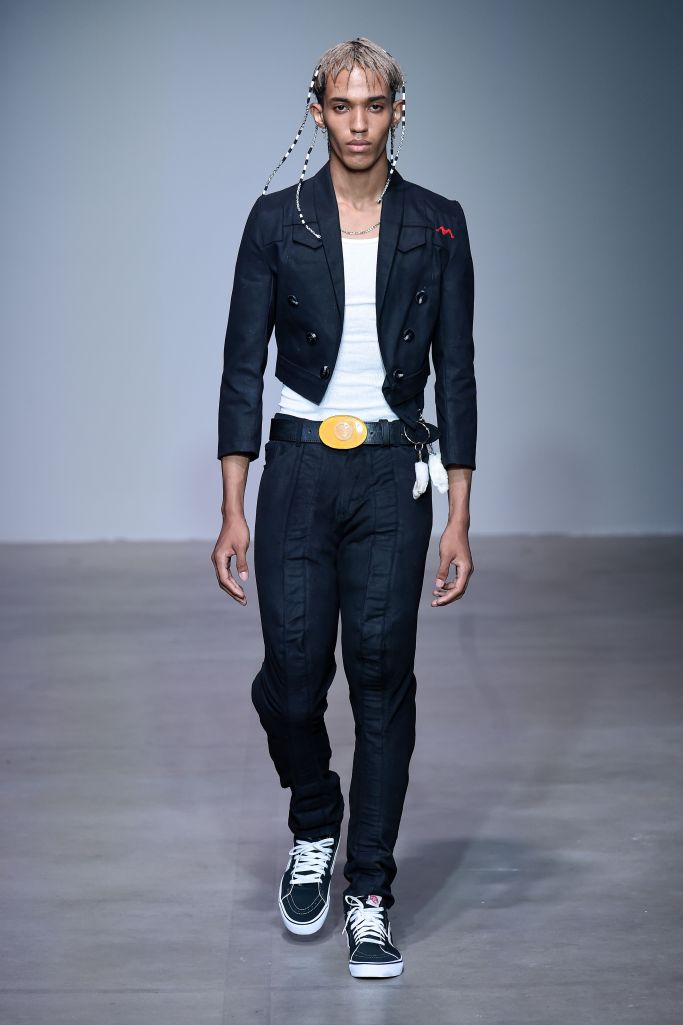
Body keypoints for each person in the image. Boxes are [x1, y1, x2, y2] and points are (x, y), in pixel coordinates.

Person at [211, 36, 477, 979]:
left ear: (397, 110)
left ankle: (369, 890)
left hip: (392, 473)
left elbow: (457, 373)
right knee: (292, 678)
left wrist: (458, 514)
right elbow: (242, 367)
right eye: (341, 105)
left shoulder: (438, 224)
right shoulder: (274, 221)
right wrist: (232, 505)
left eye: (373, 106)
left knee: (380, 677)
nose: (357, 123)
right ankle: (315, 816)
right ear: (316, 109)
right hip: (295, 467)